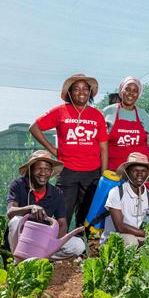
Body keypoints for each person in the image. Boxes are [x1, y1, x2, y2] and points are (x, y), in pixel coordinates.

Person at [30, 73, 109, 229]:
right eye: (76, 89)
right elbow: (34, 128)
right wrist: (53, 150)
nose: (81, 92)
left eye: (85, 88)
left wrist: (104, 174)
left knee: (87, 215)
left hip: (92, 172)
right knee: (62, 213)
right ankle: (57, 248)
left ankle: (82, 249)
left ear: (90, 92)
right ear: (69, 93)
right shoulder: (60, 111)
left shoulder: (97, 115)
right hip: (68, 171)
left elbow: (103, 147)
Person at [6, 150, 85, 260]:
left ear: (51, 172)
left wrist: (49, 243)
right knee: (16, 221)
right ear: (30, 170)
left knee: (78, 245)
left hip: (44, 238)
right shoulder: (18, 185)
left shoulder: (56, 193)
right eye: (39, 168)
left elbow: (62, 224)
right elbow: (10, 212)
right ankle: (19, 262)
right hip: (23, 236)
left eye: (47, 169)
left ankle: (39, 258)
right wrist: (30, 207)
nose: (43, 173)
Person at [102, 152, 149, 250]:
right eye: (135, 170)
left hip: (137, 236)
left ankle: (145, 253)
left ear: (148, 173)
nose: (140, 174)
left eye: (143, 171)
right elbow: (120, 227)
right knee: (131, 242)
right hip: (115, 238)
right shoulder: (116, 192)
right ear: (127, 172)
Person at [100, 76, 149, 172]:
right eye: (127, 89)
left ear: (138, 94)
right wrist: (103, 170)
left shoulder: (144, 116)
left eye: (135, 91)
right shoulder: (108, 112)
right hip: (113, 170)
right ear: (121, 91)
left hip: (139, 173)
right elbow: (100, 142)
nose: (131, 93)